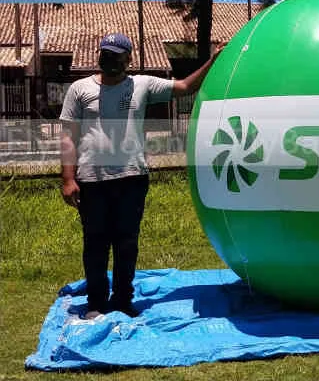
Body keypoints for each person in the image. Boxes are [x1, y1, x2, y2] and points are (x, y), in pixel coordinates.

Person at [59, 33, 226, 319]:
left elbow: (185, 86)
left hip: (131, 178)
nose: (109, 60)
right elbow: (68, 137)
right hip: (92, 181)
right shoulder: (79, 89)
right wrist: (68, 179)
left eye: (116, 56)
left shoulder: (142, 84)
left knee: (126, 243)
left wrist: (213, 60)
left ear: (128, 59)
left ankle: (123, 300)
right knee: (95, 243)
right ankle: (96, 302)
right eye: (105, 54)